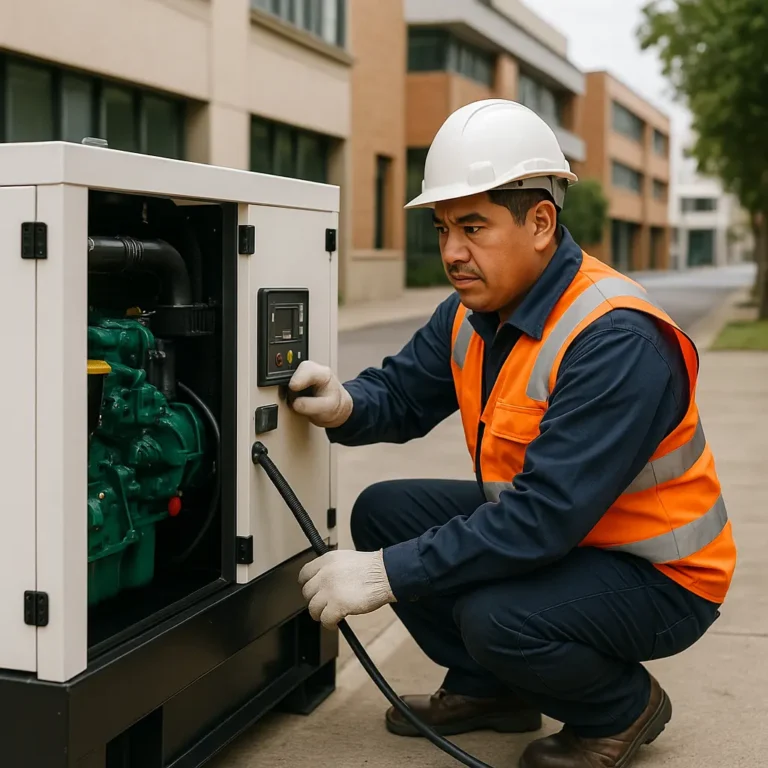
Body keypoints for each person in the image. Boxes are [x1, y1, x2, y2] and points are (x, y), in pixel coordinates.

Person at [287, 99, 736, 768]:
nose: (452, 252)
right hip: (570, 534)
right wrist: (343, 403)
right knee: (384, 512)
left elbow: (542, 519)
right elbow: (403, 394)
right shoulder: (473, 310)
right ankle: (491, 690)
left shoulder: (615, 339)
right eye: (443, 228)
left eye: (473, 227)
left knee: (495, 617)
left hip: (659, 575)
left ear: (541, 223)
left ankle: (619, 709)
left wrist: (386, 574)